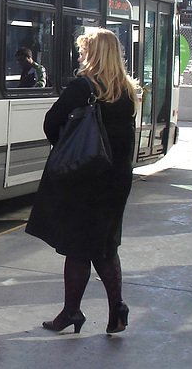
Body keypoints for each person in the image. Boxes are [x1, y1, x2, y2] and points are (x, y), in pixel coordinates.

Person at [25, 28, 139, 335]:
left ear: (94, 55)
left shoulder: (83, 87)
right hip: (116, 180)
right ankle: (117, 309)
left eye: (83, 50)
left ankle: (71, 312)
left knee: (77, 247)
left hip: (85, 178)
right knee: (103, 245)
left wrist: (67, 149)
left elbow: (52, 122)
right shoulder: (127, 92)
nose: (79, 55)